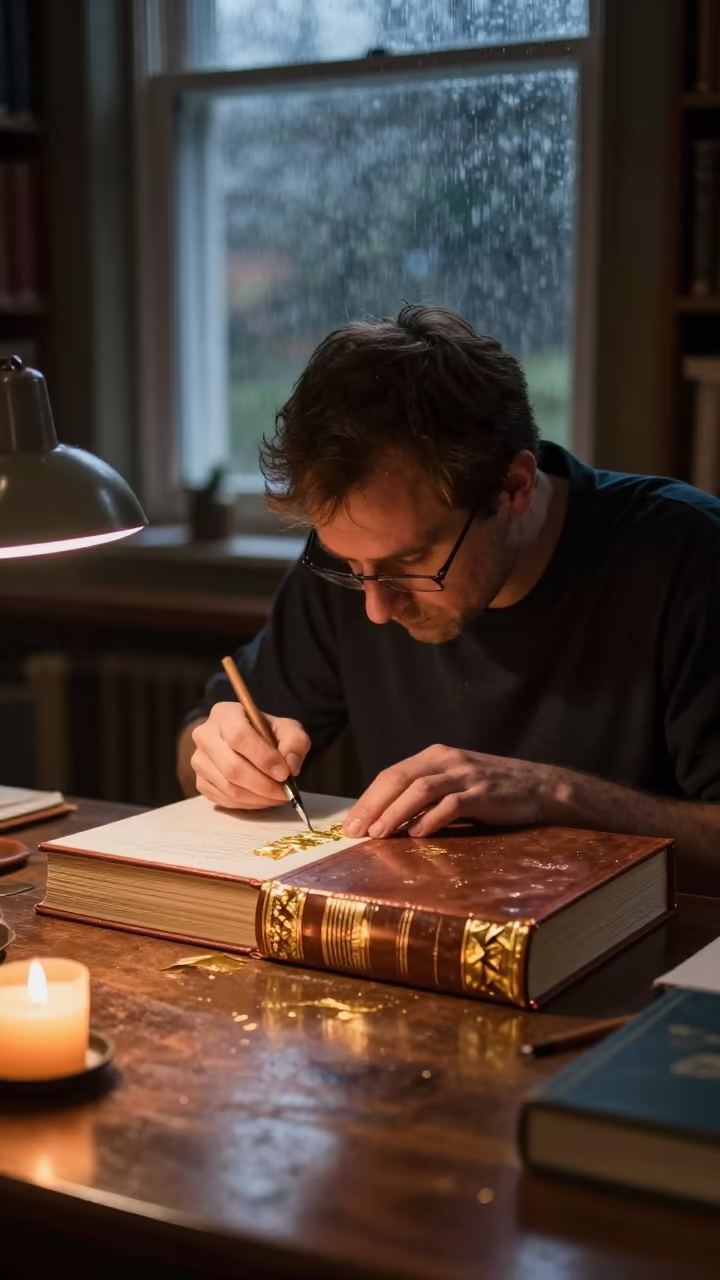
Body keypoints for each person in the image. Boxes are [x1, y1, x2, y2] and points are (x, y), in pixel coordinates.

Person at [177, 304, 720, 891]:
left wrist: (553, 793)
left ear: (513, 487)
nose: (375, 608)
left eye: (410, 563)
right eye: (350, 567)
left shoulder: (689, 558)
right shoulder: (361, 558)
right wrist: (219, 758)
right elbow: (195, 745)